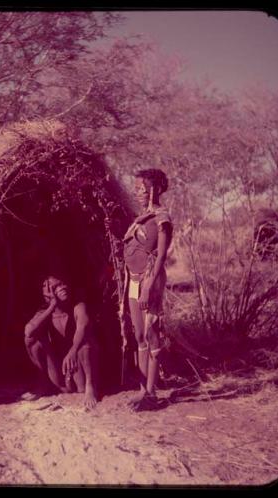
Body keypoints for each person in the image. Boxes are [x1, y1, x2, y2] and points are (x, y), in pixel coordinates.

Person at [123, 168, 173, 411]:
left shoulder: (162, 217)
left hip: (148, 280)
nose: (138, 194)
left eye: (142, 189)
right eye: (136, 190)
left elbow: (161, 255)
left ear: (154, 189)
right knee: (139, 336)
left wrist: (148, 287)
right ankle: (143, 390)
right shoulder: (141, 217)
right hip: (133, 280)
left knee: (151, 333)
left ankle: (151, 394)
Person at [23, 275, 99, 410]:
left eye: (62, 284)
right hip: (60, 370)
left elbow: (83, 326)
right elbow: (29, 332)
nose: (62, 287)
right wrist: (51, 306)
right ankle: (43, 384)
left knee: (85, 341)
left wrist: (73, 350)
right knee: (32, 340)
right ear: (47, 295)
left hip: (77, 365)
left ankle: (90, 386)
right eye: (55, 287)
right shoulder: (45, 312)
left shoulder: (78, 306)